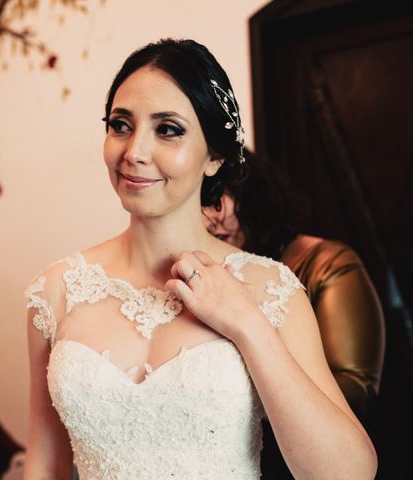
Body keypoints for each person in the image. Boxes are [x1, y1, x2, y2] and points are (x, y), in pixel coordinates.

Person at [24, 39, 377, 480]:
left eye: (168, 129)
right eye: (120, 125)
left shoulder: (271, 288)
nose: (134, 151)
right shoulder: (55, 290)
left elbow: (348, 473)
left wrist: (248, 324)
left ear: (216, 157)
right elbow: (45, 464)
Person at [201, 148, 385, 478]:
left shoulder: (326, 263)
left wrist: (238, 394)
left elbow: (357, 387)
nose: (215, 216)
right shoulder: (205, 275)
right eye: (204, 200)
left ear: (256, 195)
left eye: (224, 197)